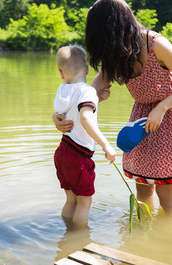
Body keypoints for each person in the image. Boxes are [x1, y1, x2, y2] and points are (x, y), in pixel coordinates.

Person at [53, 0, 172, 214]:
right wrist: (59, 116)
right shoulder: (116, 54)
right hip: (141, 120)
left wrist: (161, 107)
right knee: (143, 191)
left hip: (169, 114)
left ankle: (167, 238)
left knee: (166, 194)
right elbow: (86, 95)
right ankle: (144, 239)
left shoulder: (155, 44)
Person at [53, 44, 116, 227]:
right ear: (88, 69)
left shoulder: (62, 89)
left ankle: (67, 232)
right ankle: (79, 239)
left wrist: (96, 100)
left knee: (71, 200)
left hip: (63, 152)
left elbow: (72, 112)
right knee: (85, 203)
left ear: (61, 73)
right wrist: (106, 145)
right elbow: (85, 118)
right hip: (78, 156)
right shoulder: (87, 91)